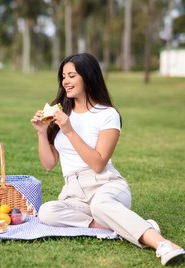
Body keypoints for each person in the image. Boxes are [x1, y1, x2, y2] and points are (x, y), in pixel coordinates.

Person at [30, 53, 184, 266]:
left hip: (105, 185)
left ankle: (163, 245)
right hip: (73, 192)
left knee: (100, 205)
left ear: (88, 76)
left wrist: (70, 131)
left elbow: (98, 163)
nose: (65, 81)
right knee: (47, 211)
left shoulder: (107, 114)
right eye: (63, 76)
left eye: (72, 75)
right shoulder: (62, 112)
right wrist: (41, 132)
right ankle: (129, 225)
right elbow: (48, 164)